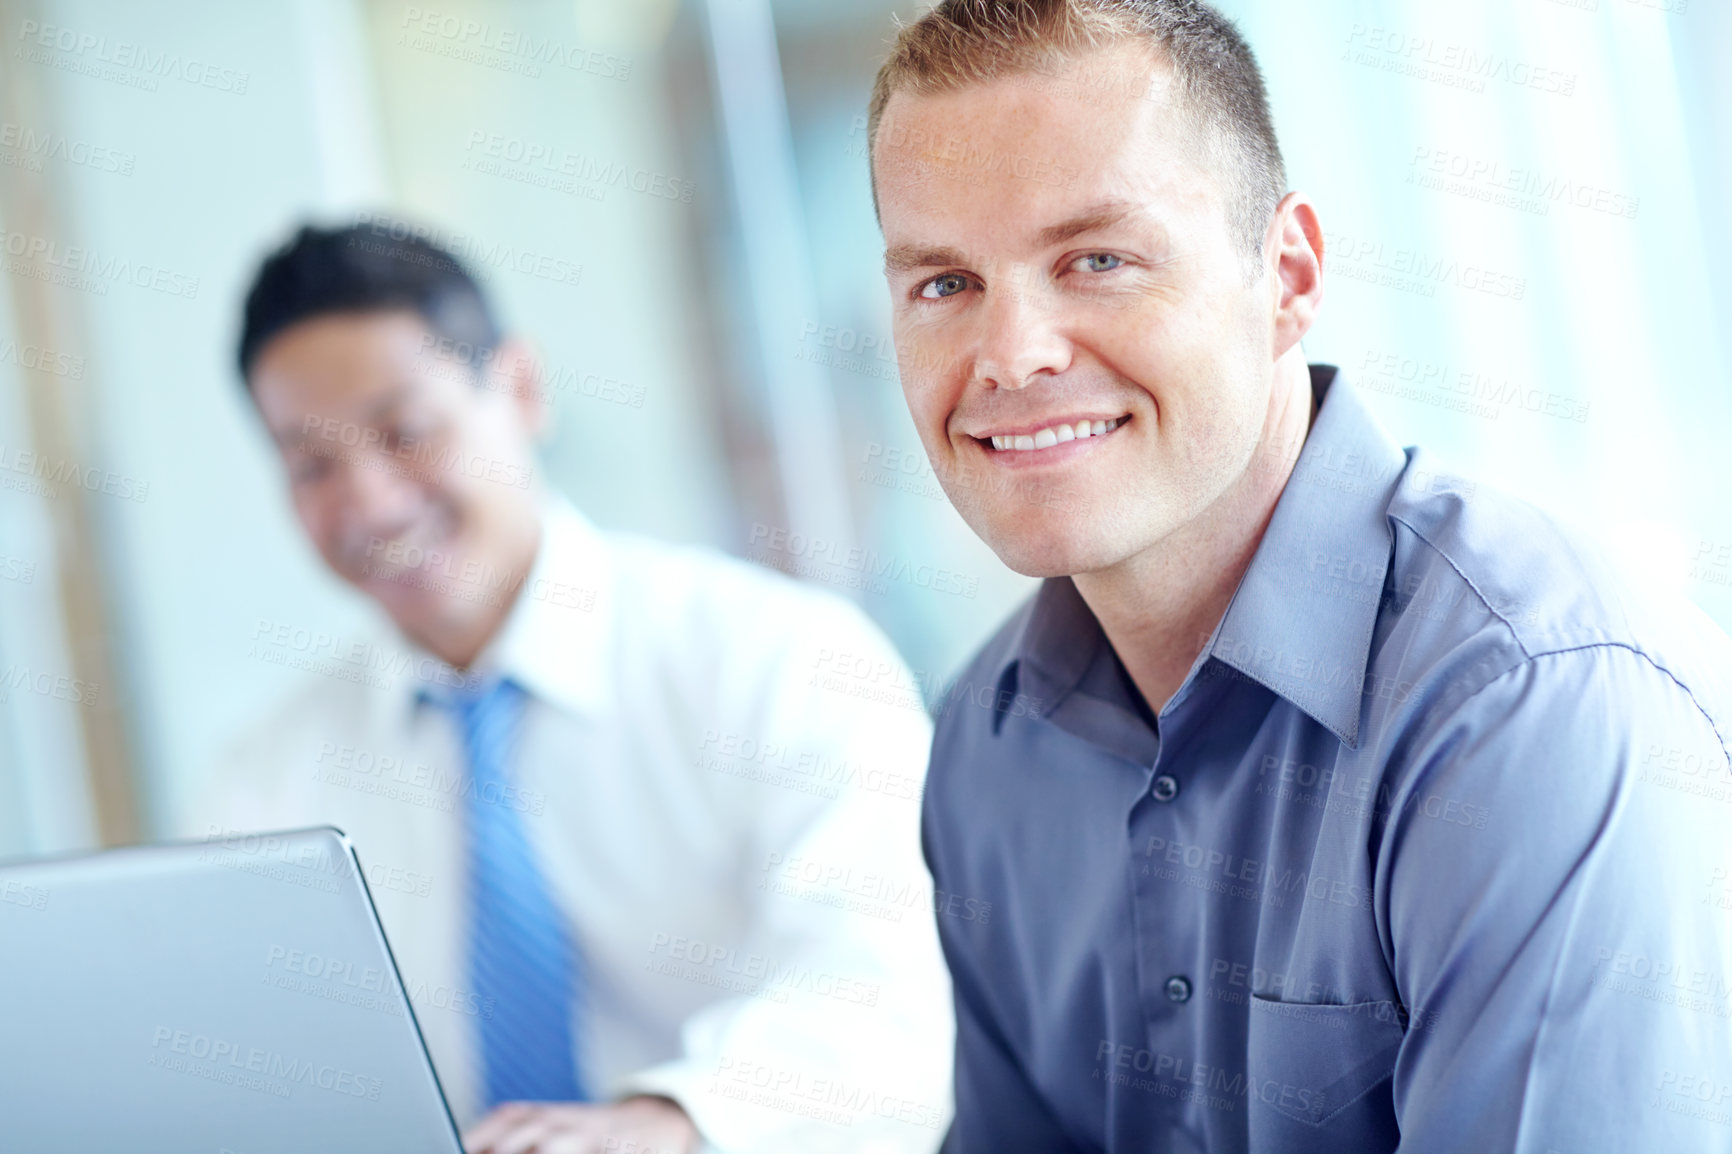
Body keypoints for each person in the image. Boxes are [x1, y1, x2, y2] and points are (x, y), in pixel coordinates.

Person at [865, 2, 1732, 1151]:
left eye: (1098, 259)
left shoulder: (1527, 704)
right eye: (943, 284)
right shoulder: (990, 736)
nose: (1012, 352)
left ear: (1286, 274)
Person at [192, 222, 953, 1154]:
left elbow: (888, 1003)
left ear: (519, 389)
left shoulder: (780, 662)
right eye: (311, 465)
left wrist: (666, 1124)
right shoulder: (268, 780)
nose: (371, 504)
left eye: (407, 432)